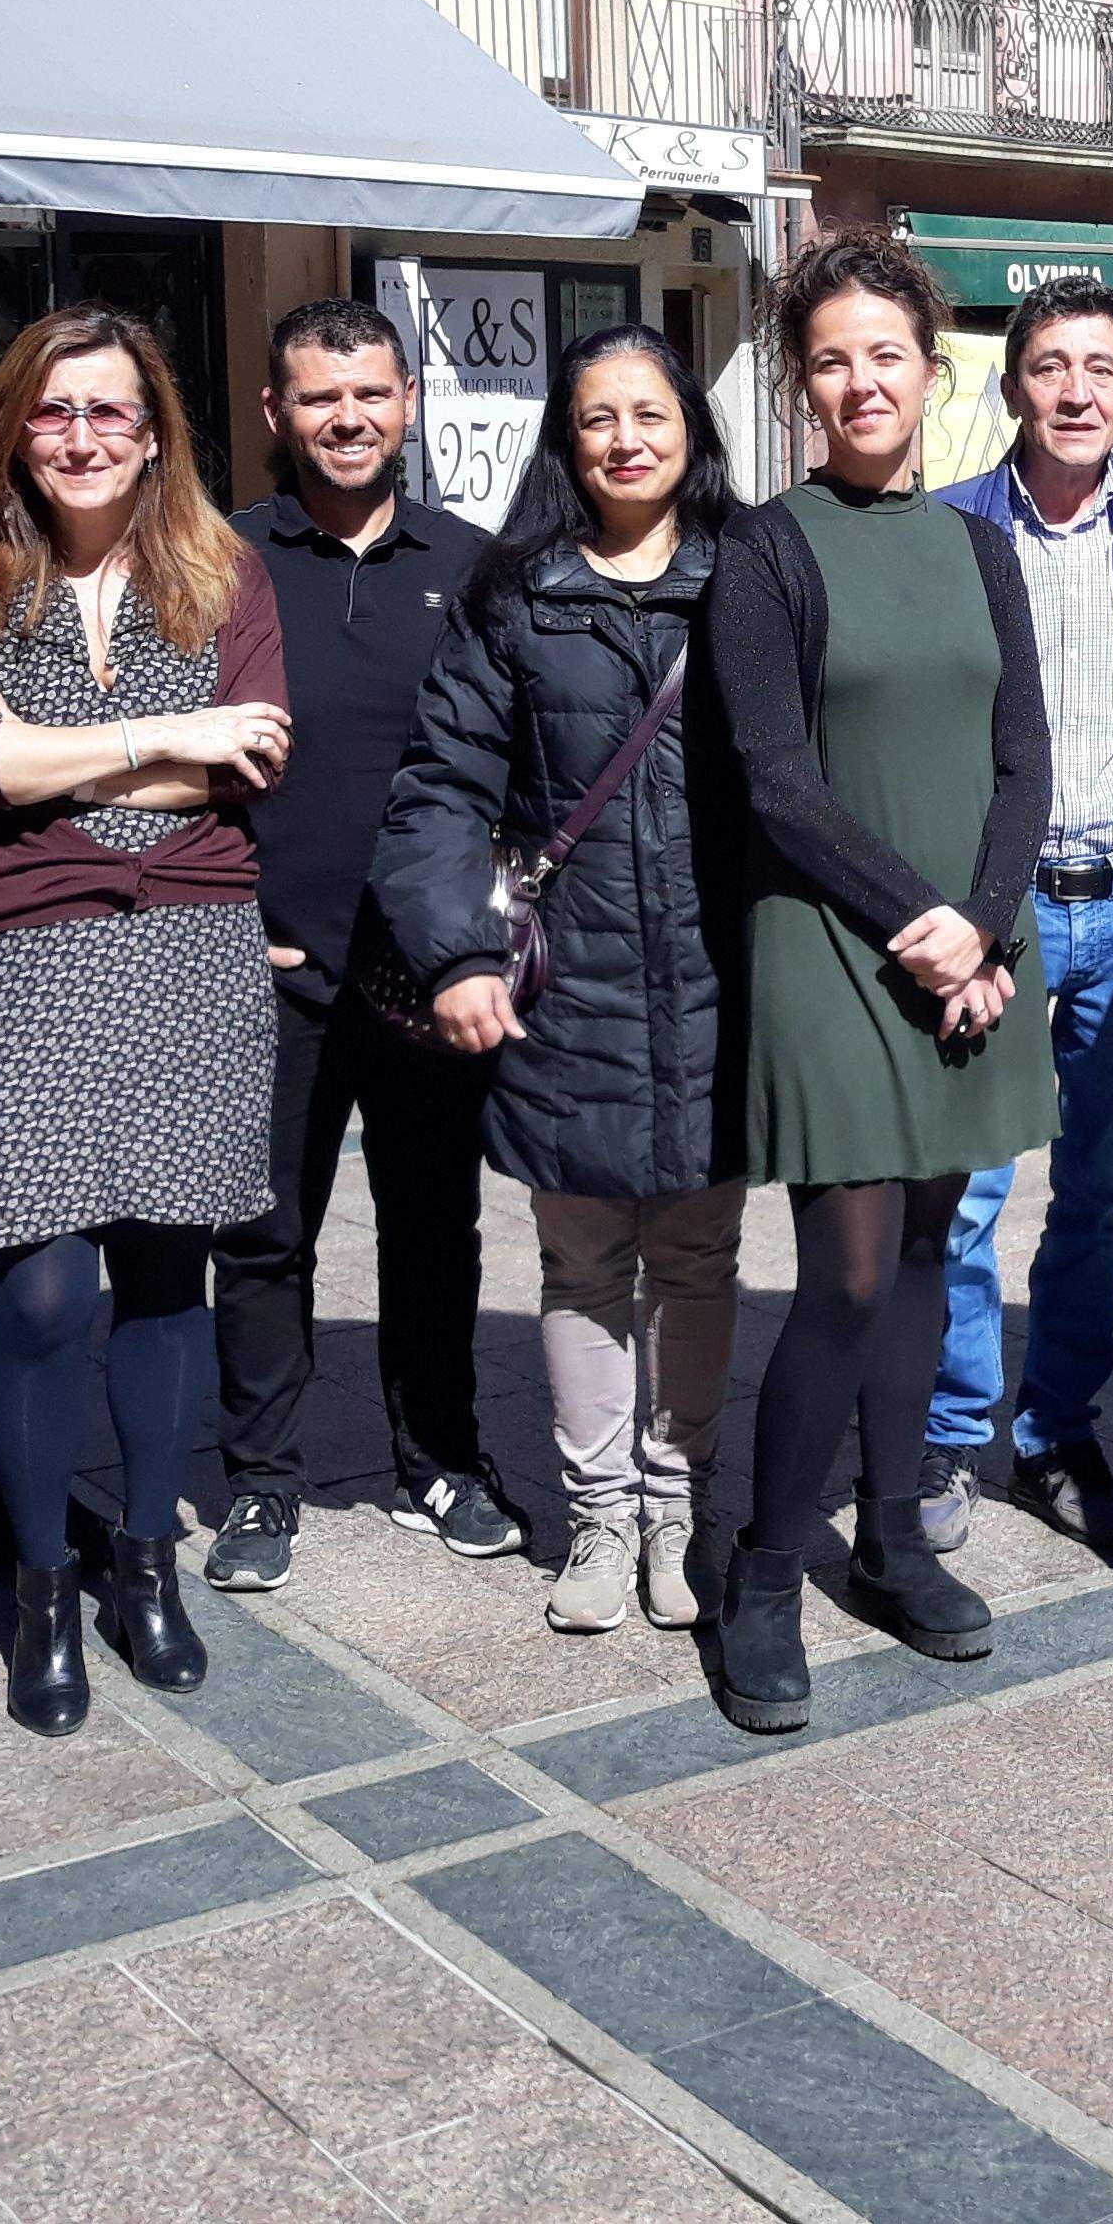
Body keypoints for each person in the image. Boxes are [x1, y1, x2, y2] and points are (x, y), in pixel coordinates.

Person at [0, 308, 291, 1735]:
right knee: (46, 1283)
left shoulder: (222, 571)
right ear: (13, 426)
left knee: (162, 1273)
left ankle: (145, 1560)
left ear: (153, 433)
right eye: (53, 413)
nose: (81, 439)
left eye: (109, 414)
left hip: (192, 956)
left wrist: (43, 765)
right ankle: (41, 1581)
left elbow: (254, 760)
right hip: (20, 962)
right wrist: (157, 737)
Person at [699, 236, 1057, 1734]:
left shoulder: (978, 546)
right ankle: (766, 1572)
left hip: (962, 947)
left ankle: (899, 1537)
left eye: (887, 354)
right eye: (832, 357)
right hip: (830, 949)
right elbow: (772, 780)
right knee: (844, 1272)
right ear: (802, 379)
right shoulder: (766, 549)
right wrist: (927, 923)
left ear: (931, 369)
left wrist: (983, 922)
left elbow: (1024, 758)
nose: (862, 381)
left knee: (930, 1249)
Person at [377, 325, 745, 1637]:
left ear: (691, 428)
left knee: (700, 1255)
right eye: (598, 418)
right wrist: (458, 954)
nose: (626, 438)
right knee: (584, 1260)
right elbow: (436, 793)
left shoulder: (749, 578)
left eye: (650, 411)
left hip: (719, 987)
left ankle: (678, 1498)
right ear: (567, 441)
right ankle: (599, 1516)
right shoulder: (513, 595)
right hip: (566, 988)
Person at [209, 300, 506, 1593]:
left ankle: (438, 1460)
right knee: (264, 1237)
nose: (348, 419)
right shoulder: (217, 561)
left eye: (371, 394)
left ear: (409, 404)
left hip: (426, 972)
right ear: (278, 414)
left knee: (435, 1228)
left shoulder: (475, 564)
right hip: (268, 968)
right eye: (321, 398)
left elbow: (517, 765)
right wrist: (221, 924)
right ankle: (261, 1485)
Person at [923, 276, 1113, 1558]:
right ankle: (947, 1434)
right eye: (1050, 366)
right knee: (968, 1194)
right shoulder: (946, 535)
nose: (1077, 390)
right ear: (1010, 387)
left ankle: (1060, 1431)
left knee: (1096, 1191)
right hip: (1001, 909)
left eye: (1101, 368)